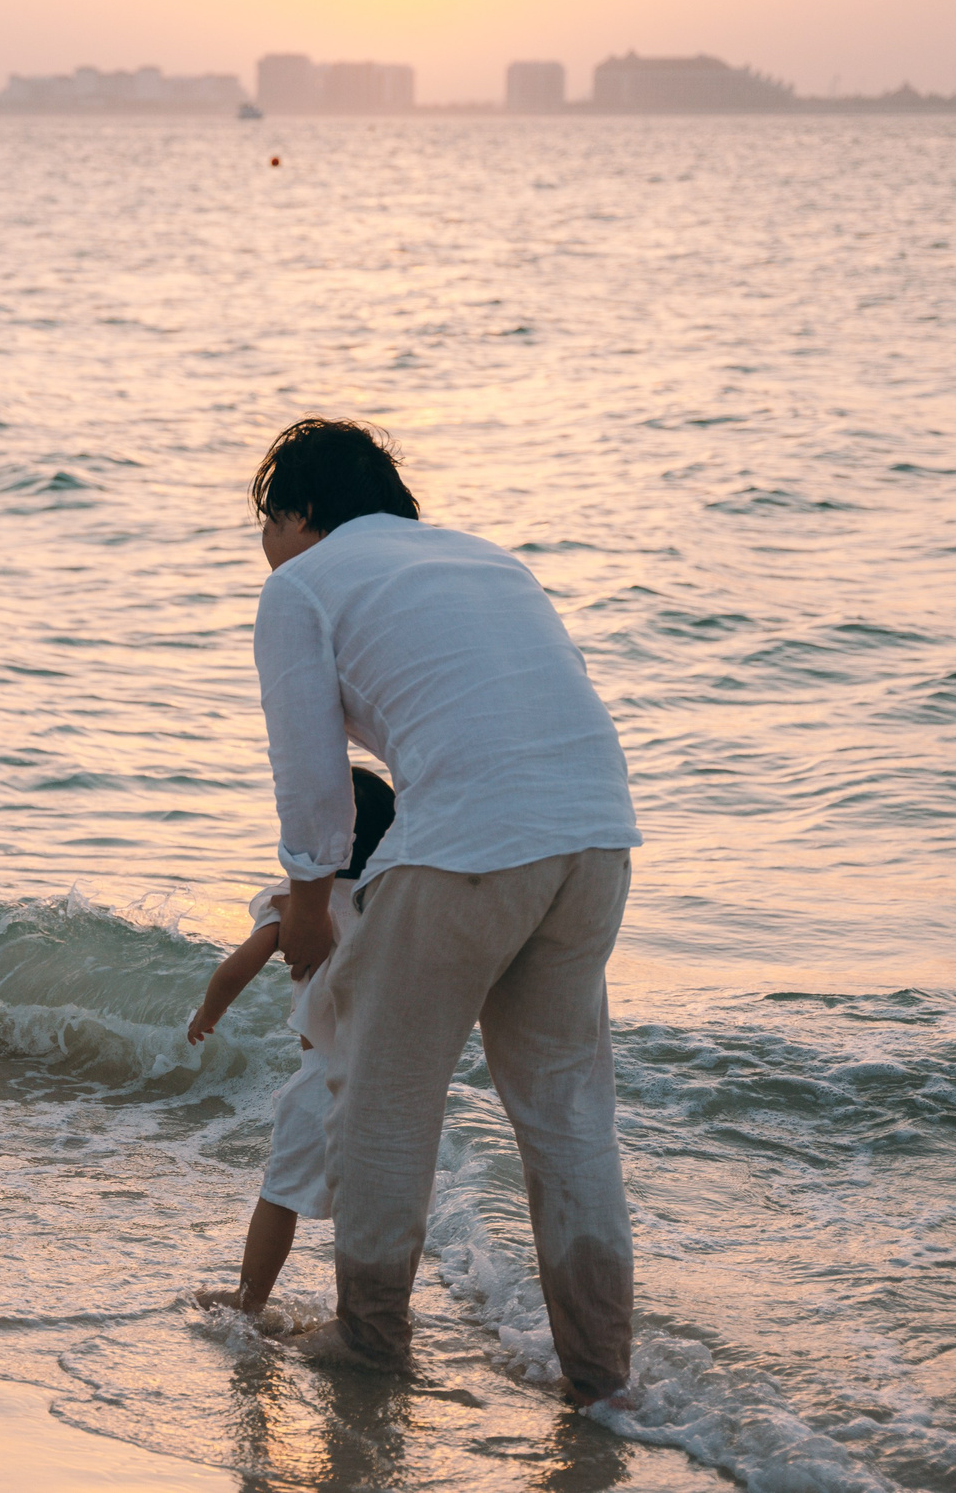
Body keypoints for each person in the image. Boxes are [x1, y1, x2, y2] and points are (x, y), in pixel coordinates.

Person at [249, 418, 643, 1408]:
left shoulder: (301, 585)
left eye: (266, 522)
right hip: (598, 833)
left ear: (298, 511)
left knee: (386, 1097)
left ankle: (370, 1337)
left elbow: (309, 774)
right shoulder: (486, 558)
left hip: (469, 843)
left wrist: (309, 901)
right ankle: (600, 1374)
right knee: (567, 1116)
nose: (264, 544)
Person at [189, 768, 397, 1330]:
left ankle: (250, 1301)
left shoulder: (299, 904)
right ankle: (367, 1312)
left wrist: (209, 1012)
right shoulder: (395, 899)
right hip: (391, 1075)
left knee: (280, 1196)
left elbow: (241, 965)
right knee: (372, 1204)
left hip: (323, 1077)